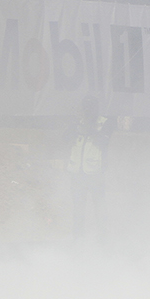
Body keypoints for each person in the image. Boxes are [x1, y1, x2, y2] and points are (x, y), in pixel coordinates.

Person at [65, 96, 114, 239]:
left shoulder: (105, 123)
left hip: (95, 174)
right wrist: (76, 128)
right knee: (78, 211)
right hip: (77, 174)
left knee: (100, 209)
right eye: (85, 107)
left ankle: (103, 240)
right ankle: (78, 241)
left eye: (90, 107)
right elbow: (65, 138)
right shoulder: (77, 123)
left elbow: (103, 142)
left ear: (96, 108)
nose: (87, 110)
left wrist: (89, 129)